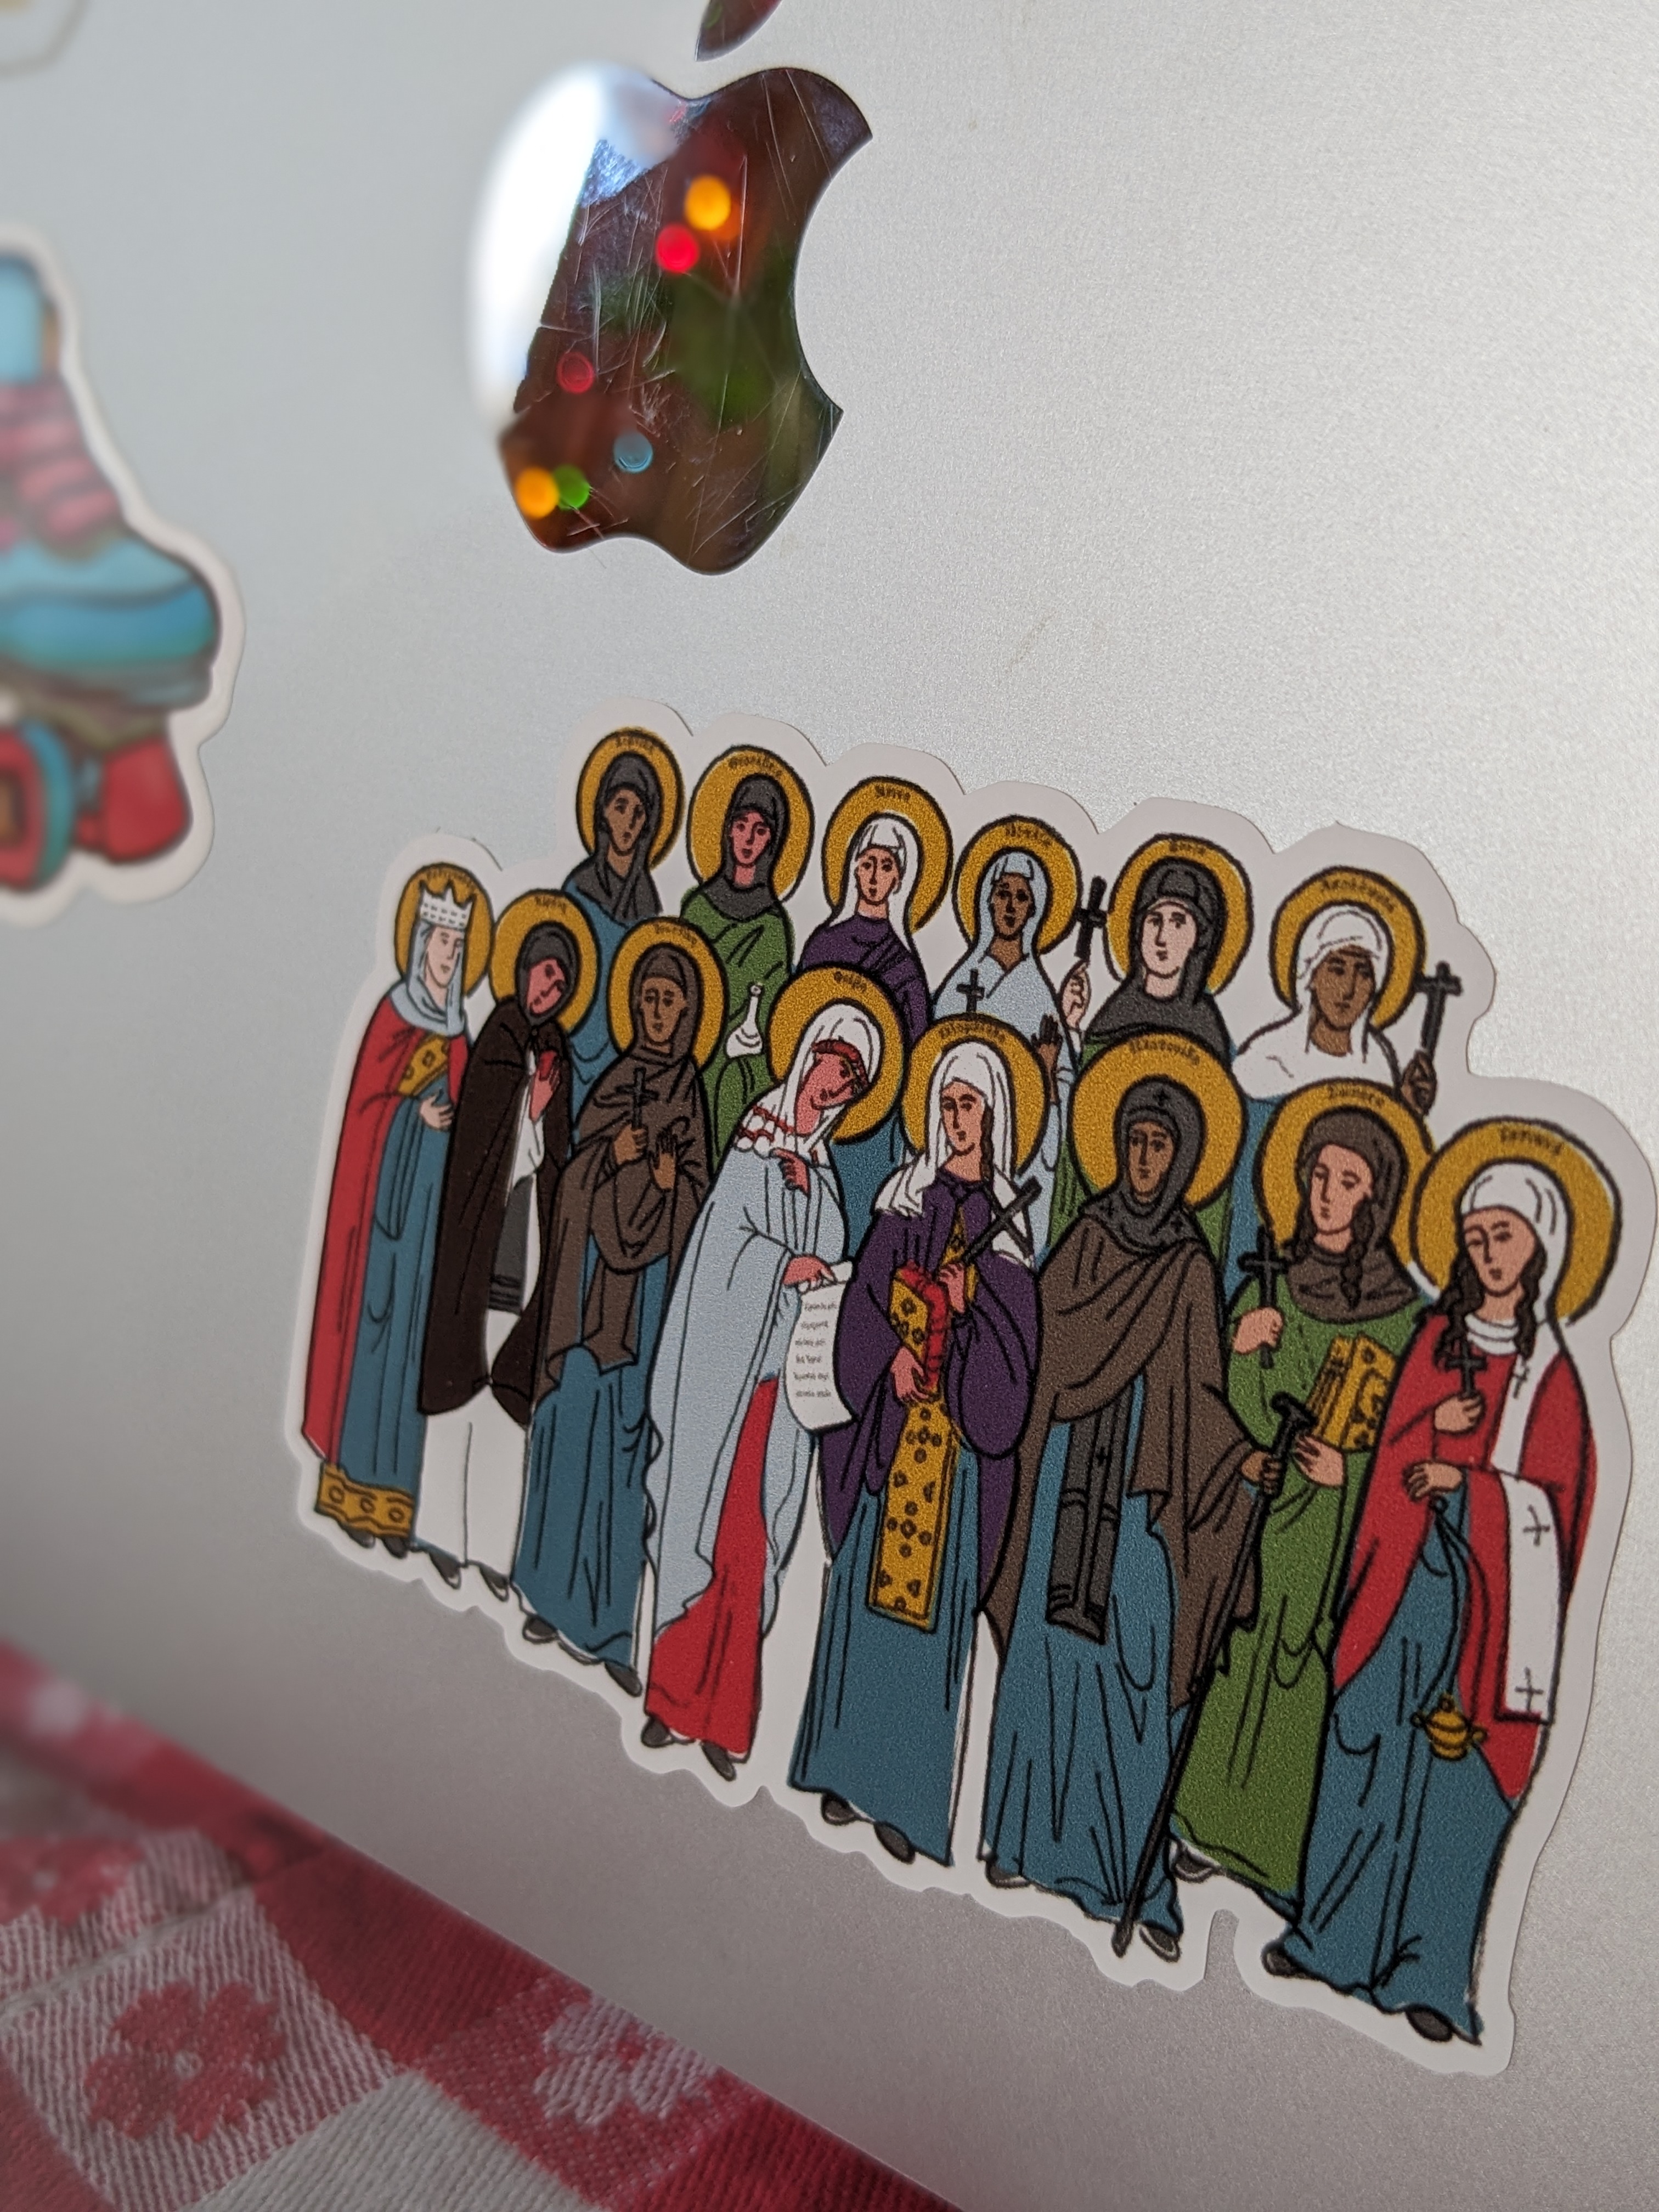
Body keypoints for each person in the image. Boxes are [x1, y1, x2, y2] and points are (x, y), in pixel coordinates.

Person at [1266, 1131, 1607, 2045]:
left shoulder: (1552, 1382)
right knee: (1364, 1750)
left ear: (1539, 1247)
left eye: (1504, 1235)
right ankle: (1331, 1941)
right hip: (1402, 1586)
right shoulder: (1433, 1340)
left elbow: (1558, 1515)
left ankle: (1425, 1973)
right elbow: (1389, 1456)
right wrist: (1430, 1428)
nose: (1487, 1252)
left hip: (1484, 1611)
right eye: (1476, 1235)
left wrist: (1472, 1487)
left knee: (1451, 1783)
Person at [980, 1035, 1273, 1961]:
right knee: (1042, 1667)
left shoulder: (1187, 1266)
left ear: (1184, 1159)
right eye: (1135, 1142)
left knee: (1134, 1678)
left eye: (1160, 1146)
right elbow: (1040, 1345)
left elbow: (1200, 1395)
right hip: (1063, 1479)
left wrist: (1238, 1462)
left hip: (1141, 1499)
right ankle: (1020, 1845)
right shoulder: (1085, 1240)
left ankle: (1123, 1881)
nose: (1145, 1160)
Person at [640, 970, 899, 1781]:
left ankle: (724, 1722)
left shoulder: (823, 1177)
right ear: (805, 1058)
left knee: (749, 1548)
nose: (835, 1086)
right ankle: (670, 1703)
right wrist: (783, 1266)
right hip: (724, 1383)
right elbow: (719, 1254)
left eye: (851, 1080)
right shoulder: (753, 1148)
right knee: (701, 1528)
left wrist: (819, 1270)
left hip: (776, 1399)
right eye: (831, 1065)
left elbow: (829, 1264)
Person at [789, 1029, 1040, 1866]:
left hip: (952, 1468)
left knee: (926, 1636)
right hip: (891, 1442)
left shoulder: (1009, 1243)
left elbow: (1012, 1378)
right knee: (862, 1611)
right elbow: (866, 1298)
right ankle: (839, 1768)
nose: (957, 1118)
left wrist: (972, 1308)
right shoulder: (904, 1202)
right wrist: (889, 1356)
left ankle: (902, 1801)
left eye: (971, 1105)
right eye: (948, 1103)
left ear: (995, 1117)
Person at [1173, 1090, 1428, 1908]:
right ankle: (1202, 1825)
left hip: (1328, 1529)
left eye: (1348, 1182)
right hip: (1257, 1504)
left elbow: (1406, 1433)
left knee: (1296, 1664)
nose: (1326, 1194)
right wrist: (1236, 1342)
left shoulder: (1400, 1317)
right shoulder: (1271, 1279)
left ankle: (1269, 1849)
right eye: (1319, 1174)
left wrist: (1347, 1473)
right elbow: (1215, 1396)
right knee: (1234, 1647)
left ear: (1376, 1197)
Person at [512, 925, 715, 1692]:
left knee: (625, 1456)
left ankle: (606, 1630)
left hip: (643, 1312)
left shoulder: (689, 1095)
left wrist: (669, 1185)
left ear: (689, 1012)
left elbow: (699, 1203)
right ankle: (543, 1595)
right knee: (567, 1434)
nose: (658, 1012)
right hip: (589, 1298)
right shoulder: (614, 1079)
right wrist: (612, 1157)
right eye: (649, 998)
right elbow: (569, 1183)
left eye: (670, 1001)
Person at [304, 870, 489, 1554]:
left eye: (458, 945)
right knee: (374, 1344)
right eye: (441, 941)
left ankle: (392, 1507)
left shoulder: (459, 1033)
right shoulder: (392, 1017)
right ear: (419, 942)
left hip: (428, 1229)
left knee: (409, 1355)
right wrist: (413, 1117)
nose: (449, 955)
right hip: (382, 1220)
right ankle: (351, 1490)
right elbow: (364, 1115)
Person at [414, 900, 582, 1599]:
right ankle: (438, 1535)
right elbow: (482, 1145)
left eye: (561, 983)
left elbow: (558, 1160)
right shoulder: (502, 1036)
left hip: (528, 1243)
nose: (549, 990)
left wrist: (543, 1117)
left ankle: (488, 1552)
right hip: (479, 1247)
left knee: (506, 1402)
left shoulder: (558, 1051)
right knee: (461, 1383)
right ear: (524, 969)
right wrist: (527, 1112)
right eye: (545, 974)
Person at [1224, 872, 1437, 1296]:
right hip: (1260, 1236)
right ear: (1312, 973)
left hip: (1346, 1254)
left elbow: (1377, 1176)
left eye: (1364, 973)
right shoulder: (1266, 1060)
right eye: (1336, 968)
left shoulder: (1378, 1065)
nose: (1349, 989)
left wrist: (1404, 1115)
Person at [1049, 841, 1245, 1246]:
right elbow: (1079, 1124)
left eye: (1178, 922)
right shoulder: (1111, 1017)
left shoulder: (1206, 1032)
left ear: (1200, 938)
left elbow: (1215, 1155)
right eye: (1153, 919)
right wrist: (1072, 1029)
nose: (1161, 936)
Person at [934, 826, 1082, 1256]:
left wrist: (1048, 1073)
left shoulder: (1039, 996)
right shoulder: (959, 984)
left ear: (1035, 910)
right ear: (987, 900)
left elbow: (1064, 1088)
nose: (1011, 906)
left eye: (1022, 898)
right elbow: (930, 1061)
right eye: (1003, 894)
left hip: (1015, 1154)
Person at [800, 794, 939, 1247]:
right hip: (811, 1106)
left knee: (854, 1221)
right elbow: (796, 1021)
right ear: (853, 868)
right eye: (867, 863)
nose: (875, 876)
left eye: (886, 866)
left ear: (900, 878)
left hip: (872, 1127)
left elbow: (915, 1052)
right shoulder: (824, 945)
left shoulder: (904, 966)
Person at [680, 753, 806, 1158]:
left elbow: (774, 1015)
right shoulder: (697, 909)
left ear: (774, 841)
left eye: (760, 830)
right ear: (726, 831)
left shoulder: (773, 927)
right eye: (740, 826)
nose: (748, 839)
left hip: (739, 1075)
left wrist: (749, 1041)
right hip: (691, 1059)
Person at [562, 734, 679, 1113]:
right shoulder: (578, 888)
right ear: (603, 811)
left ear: (649, 823)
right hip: (573, 1038)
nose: (628, 822)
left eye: (639, 812)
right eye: (620, 806)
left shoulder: (649, 904)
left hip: (621, 1048)